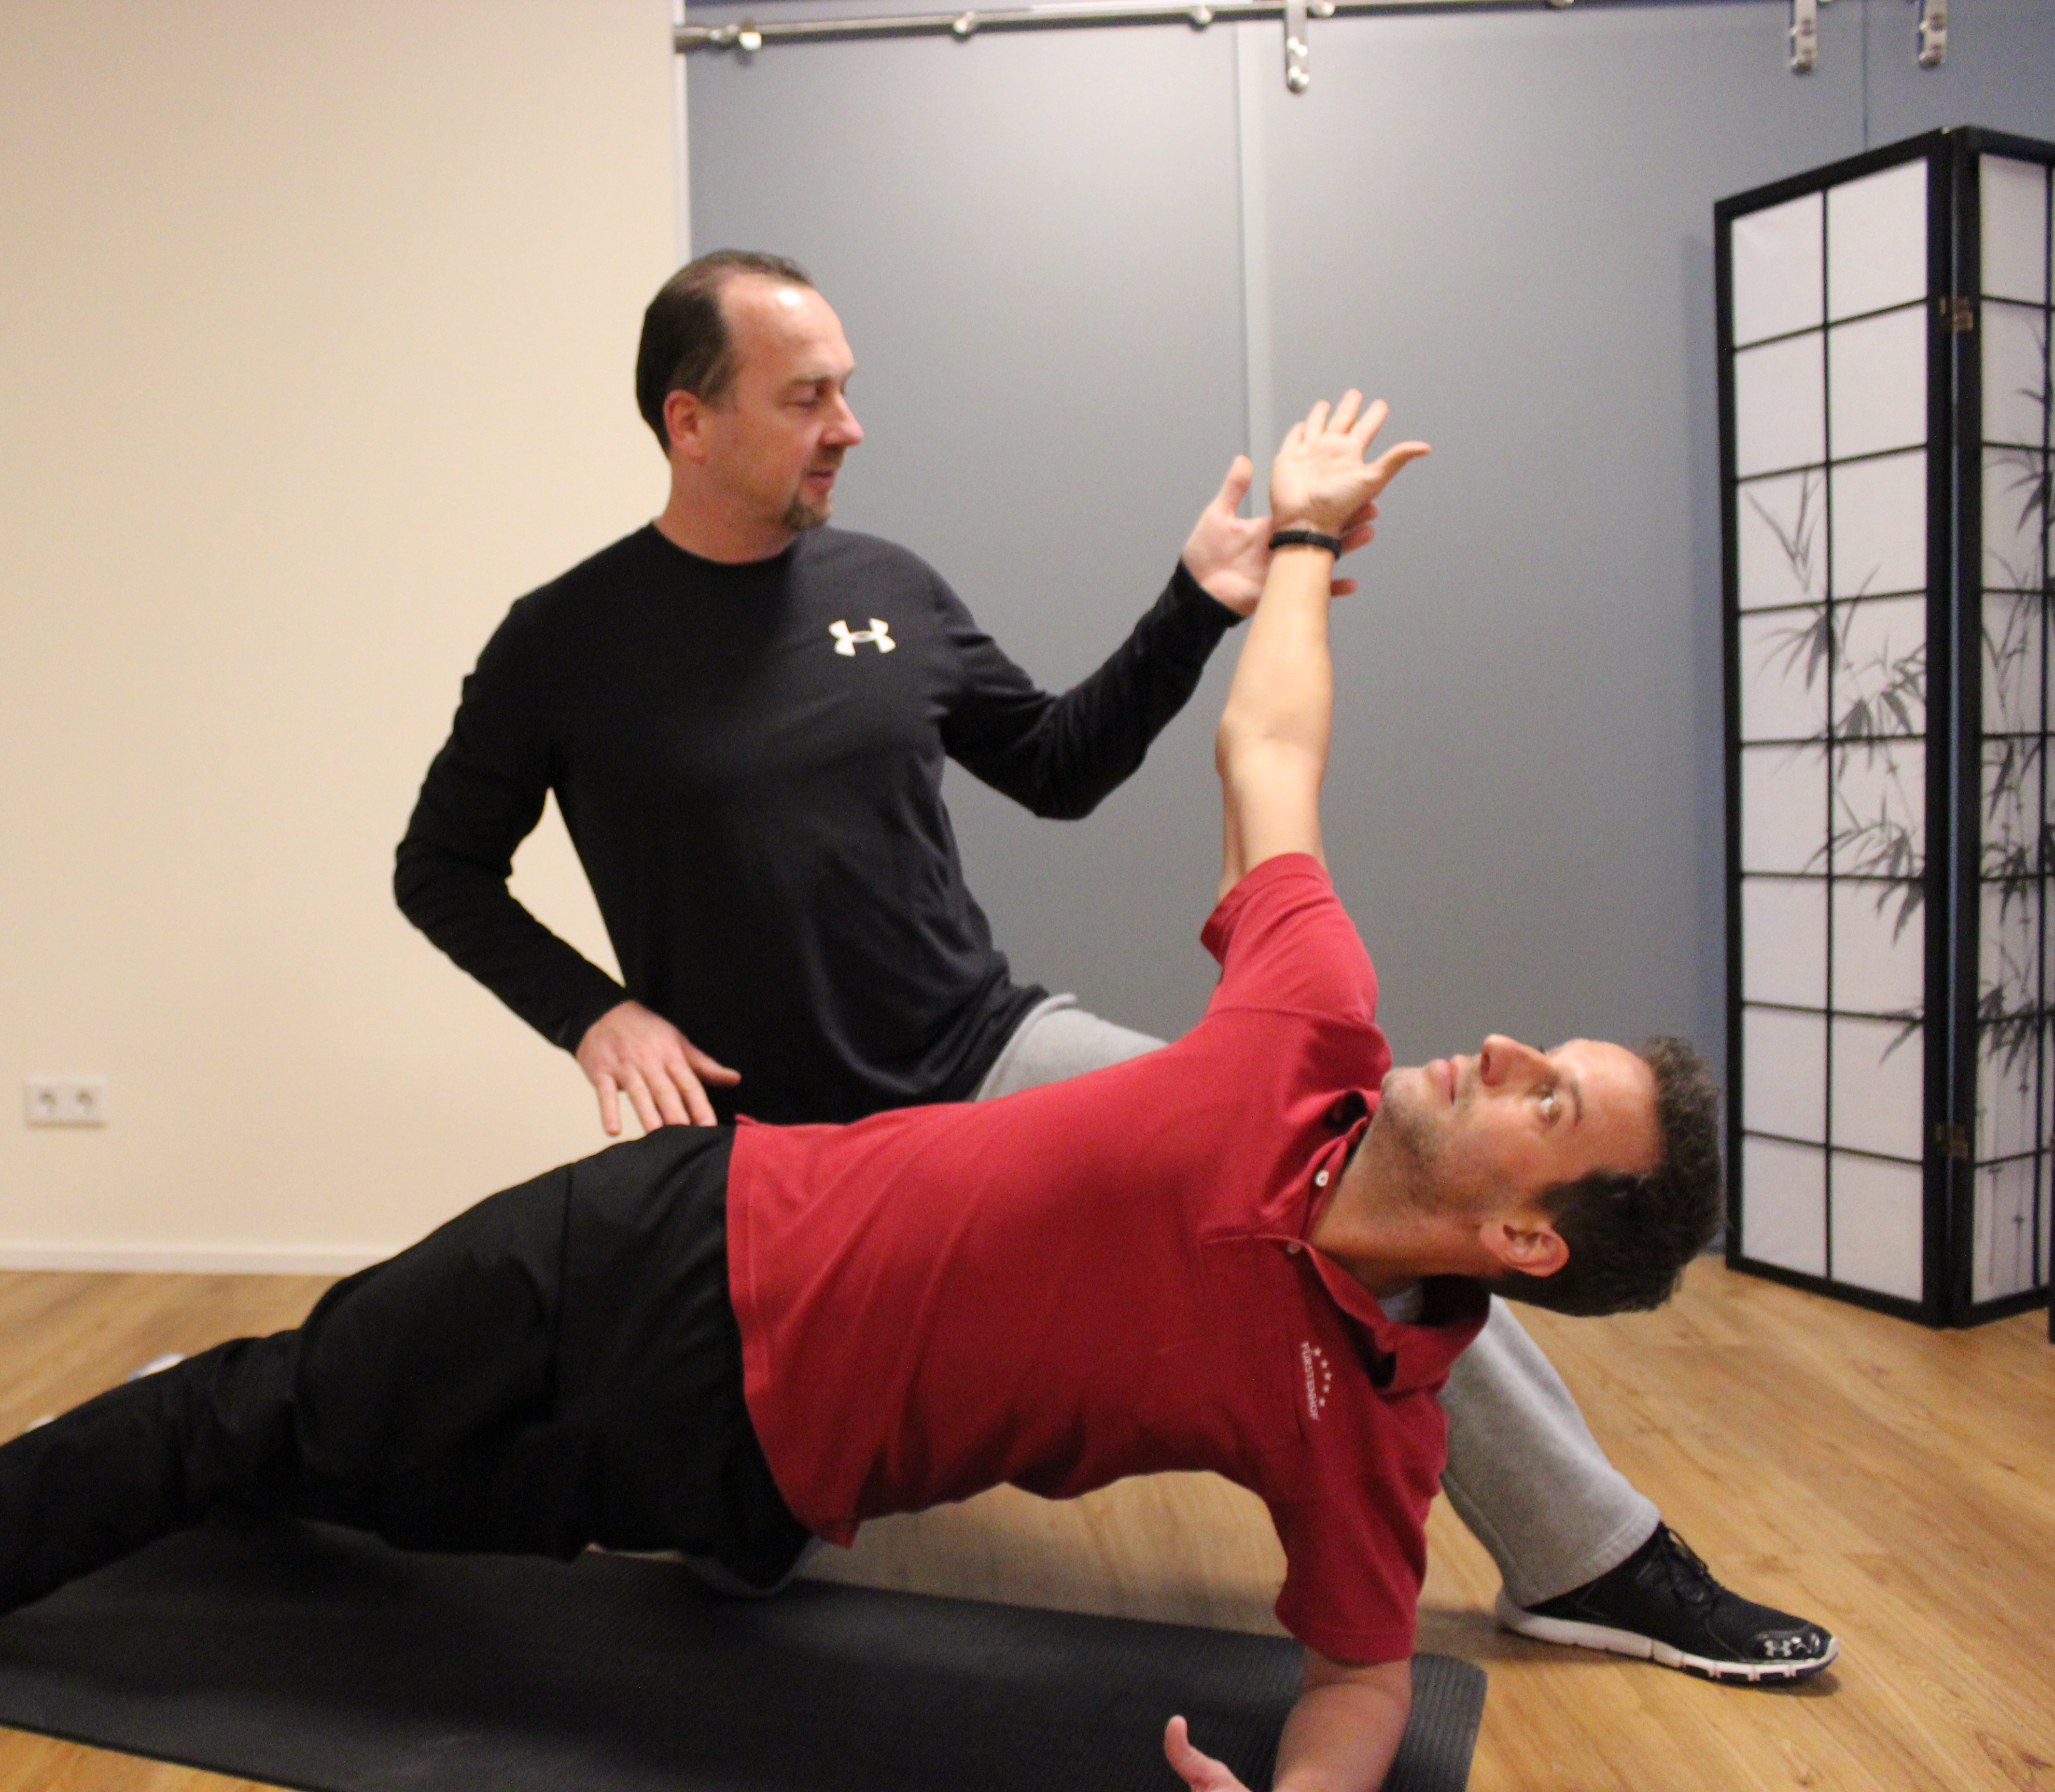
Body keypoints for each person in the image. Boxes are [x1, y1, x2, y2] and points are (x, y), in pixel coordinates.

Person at [0, 399, 1743, 1790]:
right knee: (288, 1400)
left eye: (1543, 1099)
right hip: (690, 1227)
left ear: (1522, 1241)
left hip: (747, 1476)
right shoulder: (1308, 1035)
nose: (1491, 1052)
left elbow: (1365, 1669)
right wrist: (1290, 542)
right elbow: (1270, 757)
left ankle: (189, 1448)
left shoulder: (1355, 1429)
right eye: (1533, 1046)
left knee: (385, 1498)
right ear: (694, 408)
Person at [394, 250, 1833, 1681]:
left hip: (990, 1055)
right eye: (807, 395)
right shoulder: (561, 646)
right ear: (688, 420)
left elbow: (1058, 766)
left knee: (1363, 1189)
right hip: (779, 1154)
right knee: (730, 1558)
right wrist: (596, 1015)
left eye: (848, 388)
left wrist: (1196, 606)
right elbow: (438, 871)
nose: (849, 425)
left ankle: (1594, 1554)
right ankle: (305, 1429)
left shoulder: (885, 587)